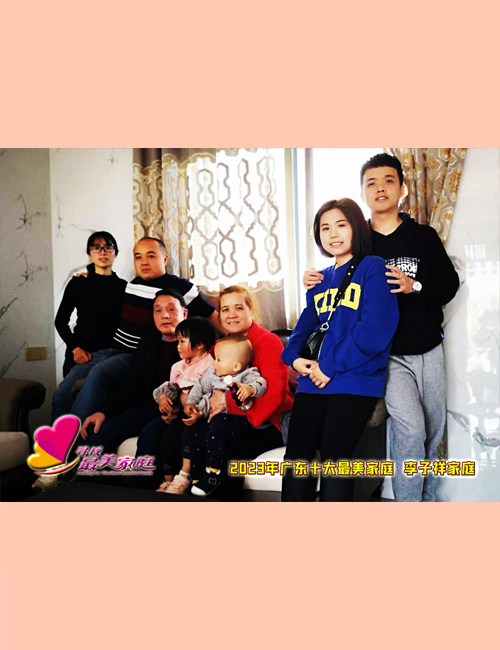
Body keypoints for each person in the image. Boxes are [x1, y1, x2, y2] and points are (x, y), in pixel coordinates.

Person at [304, 153, 460, 502]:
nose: (380, 188)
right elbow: (336, 282)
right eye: (371, 183)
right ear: (362, 193)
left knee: (433, 432)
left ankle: (427, 499)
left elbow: (449, 285)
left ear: (402, 189)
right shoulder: (358, 241)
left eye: (388, 180)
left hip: (429, 348)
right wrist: (313, 280)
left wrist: (413, 286)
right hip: (386, 356)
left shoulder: (423, 236)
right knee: (411, 429)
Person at [282, 198, 399, 502]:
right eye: (325, 228)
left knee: (335, 458)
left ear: (356, 227)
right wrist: (294, 359)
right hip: (312, 381)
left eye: (341, 225)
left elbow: (374, 331)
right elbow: (304, 327)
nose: (333, 233)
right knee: (296, 459)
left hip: (354, 380)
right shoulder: (320, 279)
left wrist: (329, 366)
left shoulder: (373, 267)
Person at [163, 285, 294, 501]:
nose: (231, 314)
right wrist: (192, 406)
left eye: (238, 308)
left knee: (228, 452)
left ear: (252, 311)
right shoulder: (220, 346)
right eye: (225, 309)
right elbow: (205, 384)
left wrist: (227, 403)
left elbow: (274, 393)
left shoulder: (268, 341)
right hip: (228, 419)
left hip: (269, 421)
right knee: (186, 435)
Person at [69, 236, 219, 423]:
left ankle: (74, 433)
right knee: (66, 386)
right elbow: (105, 294)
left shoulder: (181, 287)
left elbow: (211, 315)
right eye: (138, 257)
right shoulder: (132, 284)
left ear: (164, 258)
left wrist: (235, 336)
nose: (144, 262)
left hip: (133, 354)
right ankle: (56, 434)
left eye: (150, 256)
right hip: (110, 349)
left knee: (98, 374)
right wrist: (87, 277)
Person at [78, 289, 190, 489]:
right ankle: (97, 496)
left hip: (173, 413)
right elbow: (132, 386)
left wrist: (179, 409)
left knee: (149, 436)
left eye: (171, 309)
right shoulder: (148, 342)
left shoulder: (196, 344)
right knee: (99, 432)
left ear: (185, 314)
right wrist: (103, 411)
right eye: (158, 310)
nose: (164, 315)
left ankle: (141, 499)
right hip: (144, 409)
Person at [51, 232, 126, 422]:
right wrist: (75, 348)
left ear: (116, 253)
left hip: (112, 354)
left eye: (108, 247)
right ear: (89, 253)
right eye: (96, 248)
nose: (103, 252)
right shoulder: (78, 283)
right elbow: (60, 321)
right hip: (81, 354)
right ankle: (58, 440)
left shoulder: (124, 287)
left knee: (93, 402)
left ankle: (82, 438)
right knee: (61, 397)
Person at [184, 336, 268, 497]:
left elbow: (261, 383)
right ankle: (197, 477)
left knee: (216, 431)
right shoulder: (212, 373)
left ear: (236, 366)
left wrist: (250, 389)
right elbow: (199, 386)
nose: (214, 363)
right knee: (197, 435)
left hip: (235, 420)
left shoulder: (247, 374)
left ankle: (212, 475)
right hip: (211, 417)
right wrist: (191, 402)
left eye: (218, 360)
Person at [152, 316, 216, 494]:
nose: (178, 345)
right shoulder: (177, 367)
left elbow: (210, 394)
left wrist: (198, 412)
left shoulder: (210, 365)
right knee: (167, 439)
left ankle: (184, 478)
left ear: (200, 344)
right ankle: (168, 482)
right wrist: (164, 400)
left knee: (188, 437)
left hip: (201, 415)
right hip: (182, 414)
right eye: (178, 341)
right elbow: (172, 389)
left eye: (182, 341)